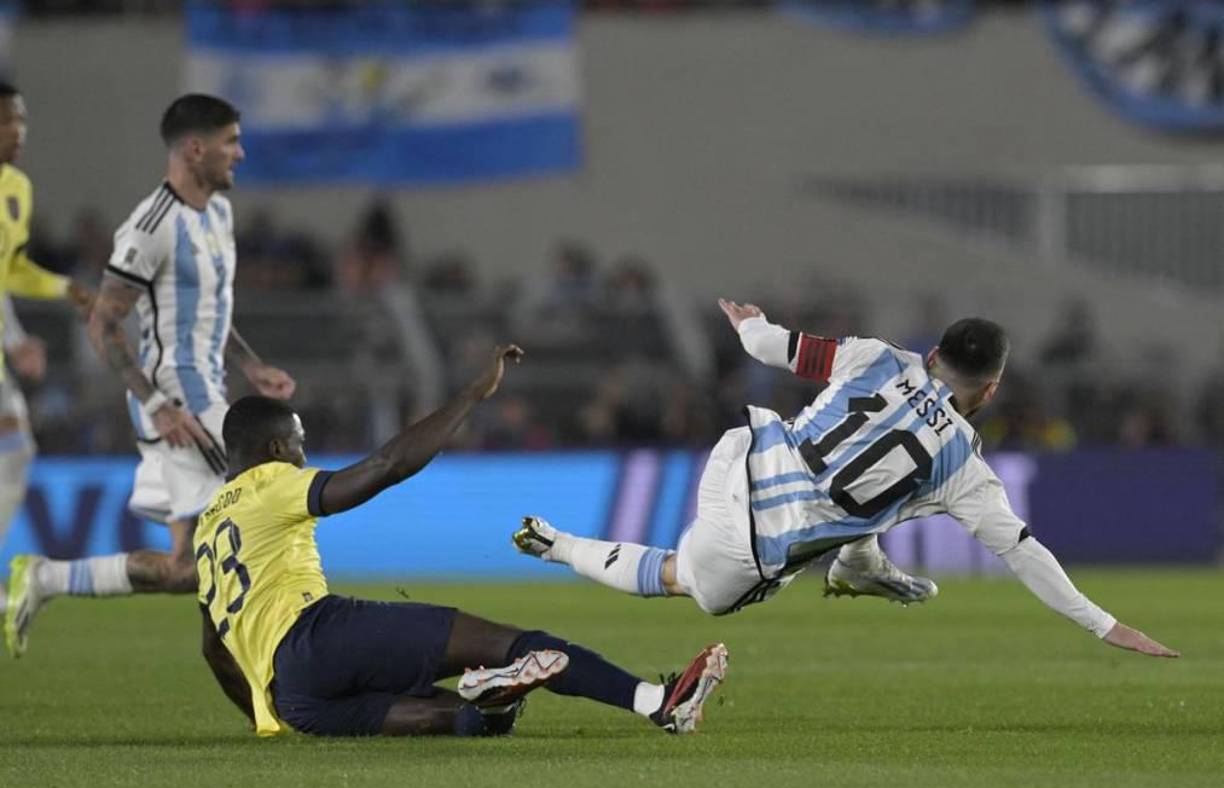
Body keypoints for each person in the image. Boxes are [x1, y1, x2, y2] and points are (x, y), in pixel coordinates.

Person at [514, 299, 1179, 660]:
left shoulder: (874, 357)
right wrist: (1104, 625)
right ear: (994, 388)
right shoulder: (966, 471)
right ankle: (562, 546)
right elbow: (1024, 553)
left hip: (742, 451)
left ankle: (859, 561)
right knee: (680, 579)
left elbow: (771, 348)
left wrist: (749, 323)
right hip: (758, 543)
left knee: (879, 500)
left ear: (932, 355)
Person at [196, 344, 727, 737]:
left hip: (293, 695)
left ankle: (492, 701)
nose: (302, 457)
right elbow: (386, 466)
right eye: (297, 445)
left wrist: (262, 716)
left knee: (470, 722)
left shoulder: (208, 527)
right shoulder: (268, 483)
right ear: (272, 447)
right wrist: (471, 395)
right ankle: (660, 702)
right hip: (319, 634)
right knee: (517, 644)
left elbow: (214, 649)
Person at [5, 94, 294, 657]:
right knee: (272, 501)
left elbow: (211, 306)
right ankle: (286, 673)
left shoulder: (218, 212)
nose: (240, 152)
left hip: (210, 392)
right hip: (179, 401)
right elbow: (103, 323)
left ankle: (45, 578)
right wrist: (157, 403)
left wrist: (251, 363)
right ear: (195, 149)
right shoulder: (149, 225)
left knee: (187, 569)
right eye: (230, 141)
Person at [0, 82, 93, 614]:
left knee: (16, 449)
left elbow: (7, 270)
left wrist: (66, 288)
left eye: (22, 120)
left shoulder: (17, 188)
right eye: (7, 121)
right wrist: (14, 342)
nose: (19, 132)